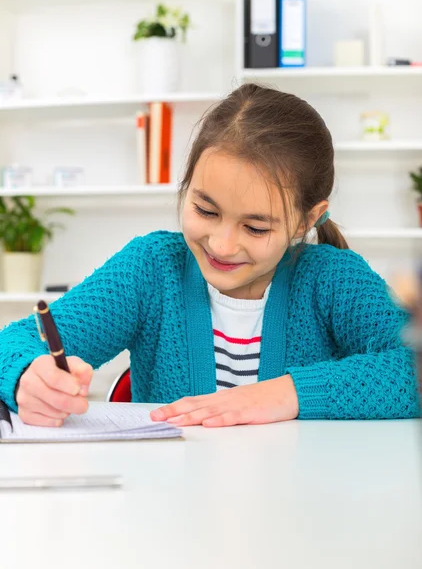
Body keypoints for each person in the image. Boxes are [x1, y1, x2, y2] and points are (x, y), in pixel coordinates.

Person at [0, 83, 418, 428]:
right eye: (205, 210)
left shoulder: (333, 278)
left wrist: (287, 393)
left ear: (306, 220)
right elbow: (16, 340)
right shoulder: (151, 267)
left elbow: (413, 366)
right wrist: (25, 376)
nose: (221, 244)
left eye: (256, 227)